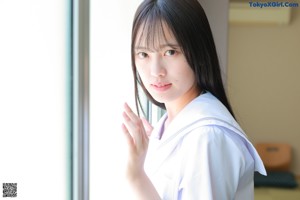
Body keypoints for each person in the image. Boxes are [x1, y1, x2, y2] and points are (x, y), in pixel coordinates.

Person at [121, 0, 266, 199]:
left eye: (170, 52)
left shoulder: (207, 137)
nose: (156, 72)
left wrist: (135, 176)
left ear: (197, 51)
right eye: (143, 54)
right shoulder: (172, 126)